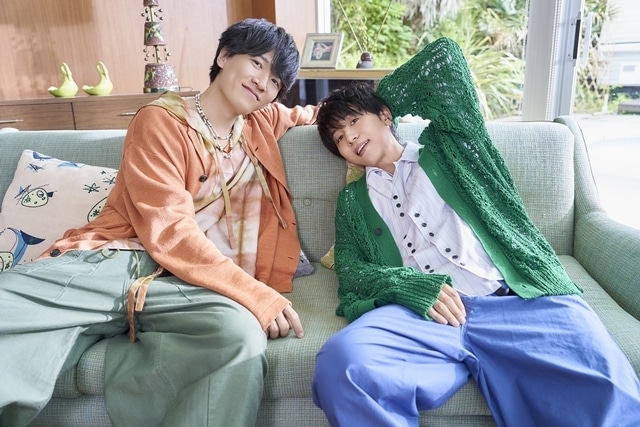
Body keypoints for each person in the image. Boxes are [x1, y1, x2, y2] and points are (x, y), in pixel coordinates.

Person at [0, 18, 316, 427]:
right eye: (257, 63)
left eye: (275, 81)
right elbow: (170, 232)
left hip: (188, 285)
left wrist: (373, 126)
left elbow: (325, 113)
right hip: (123, 261)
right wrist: (256, 294)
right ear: (224, 56)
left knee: (240, 336)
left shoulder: (261, 122)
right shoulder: (160, 121)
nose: (263, 83)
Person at [312, 37, 640, 426]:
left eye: (354, 121)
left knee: (609, 386)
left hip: (515, 301)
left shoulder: (454, 150)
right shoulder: (352, 201)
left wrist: (376, 97)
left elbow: (445, 59)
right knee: (342, 365)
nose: (349, 137)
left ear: (385, 116)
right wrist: (409, 287)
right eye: (338, 137)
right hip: (422, 317)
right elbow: (350, 270)